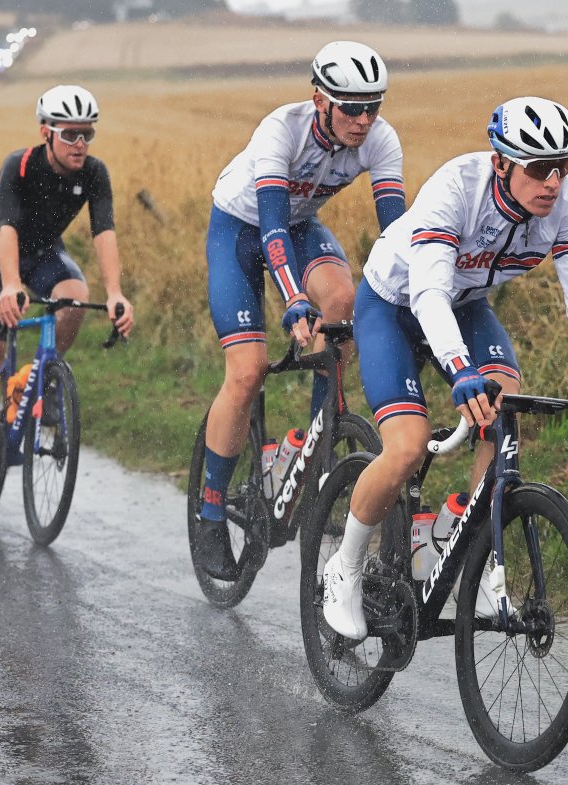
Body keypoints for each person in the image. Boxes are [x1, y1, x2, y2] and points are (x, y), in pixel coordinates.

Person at [321, 96, 568, 639]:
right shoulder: (457, 188)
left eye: (564, 166)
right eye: (539, 169)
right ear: (500, 163)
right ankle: (346, 566)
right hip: (395, 305)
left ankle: (462, 537)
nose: (553, 182)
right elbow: (428, 294)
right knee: (406, 445)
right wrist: (460, 372)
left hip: (467, 306)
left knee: (505, 410)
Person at [194, 41, 405, 580]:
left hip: (301, 227)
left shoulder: (380, 140)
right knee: (247, 371)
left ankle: (320, 438)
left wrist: (409, 301)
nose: (364, 120)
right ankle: (210, 511)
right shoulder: (280, 131)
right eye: (352, 108)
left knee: (343, 302)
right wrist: (292, 299)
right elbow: (270, 228)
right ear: (320, 101)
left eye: (373, 106)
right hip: (241, 230)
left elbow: (395, 237)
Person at [0, 84, 135, 500]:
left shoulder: (94, 173)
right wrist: (10, 284)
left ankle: (42, 380)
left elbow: (104, 232)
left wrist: (115, 293)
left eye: (87, 134)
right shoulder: (19, 166)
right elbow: (6, 229)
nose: (80, 144)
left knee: (75, 296)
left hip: (44, 253)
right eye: (70, 134)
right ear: (46, 133)